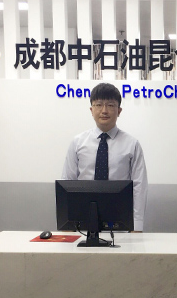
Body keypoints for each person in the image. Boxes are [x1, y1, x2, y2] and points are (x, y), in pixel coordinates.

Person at [62, 83, 148, 232]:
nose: (104, 110)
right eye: (99, 105)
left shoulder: (132, 144)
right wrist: (67, 224)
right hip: (83, 222)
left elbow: (139, 186)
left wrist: (136, 225)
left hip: (120, 221)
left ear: (119, 111)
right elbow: (67, 183)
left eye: (110, 105)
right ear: (91, 110)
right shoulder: (78, 142)